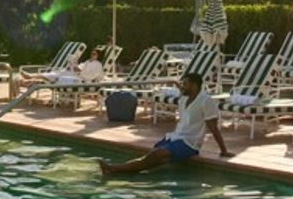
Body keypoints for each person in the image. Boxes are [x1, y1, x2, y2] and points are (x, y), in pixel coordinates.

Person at [99, 72, 233, 174]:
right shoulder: (182, 100)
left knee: (155, 156)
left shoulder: (205, 101)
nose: (182, 86)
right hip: (174, 137)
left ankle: (115, 169)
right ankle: (120, 171)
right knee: (154, 156)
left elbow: (213, 128)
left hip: (189, 143)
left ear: (194, 85)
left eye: (185, 84)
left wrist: (224, 151)